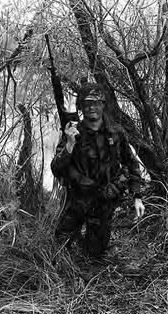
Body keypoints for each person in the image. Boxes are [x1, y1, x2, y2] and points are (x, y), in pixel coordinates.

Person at [51, 82, 146, 258]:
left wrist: (137, 196)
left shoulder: (116, 133)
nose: (91, 107)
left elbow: (132, 164)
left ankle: (91, 245)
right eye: (87, 103)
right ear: (81, 107)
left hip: (104, 202)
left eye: (96, 102)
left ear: (103, 105)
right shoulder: (72, 133)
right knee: (57, 248)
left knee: (94, 255)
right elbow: (56, 170)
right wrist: (70, 144)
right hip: (77, 201)